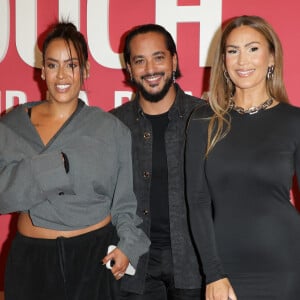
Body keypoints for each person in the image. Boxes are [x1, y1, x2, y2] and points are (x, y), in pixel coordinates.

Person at [0, 21, 150, 300]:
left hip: (92, 260)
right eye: (53, 64)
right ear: (42, 69)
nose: (61, 75)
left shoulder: (111, 129)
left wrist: (128, 246)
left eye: (71, 64)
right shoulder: (11, 125)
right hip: (31, 260)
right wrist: (54, 167)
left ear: (86, 69)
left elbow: (126, 202)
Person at [185, 15, 300, 300]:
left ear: (271, 58)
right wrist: (213, 273)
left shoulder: (294, 121)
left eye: (253, 49)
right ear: (223, 61)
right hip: (224, 267)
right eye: (233, 51)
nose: (242, 60)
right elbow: (197, 201)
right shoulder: (203, 120)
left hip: (285, 262)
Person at [111, 24, 205, 300]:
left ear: (174, 60)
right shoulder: (113, 125)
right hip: (135, 265)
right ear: (129, 68)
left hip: (194, 264)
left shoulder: (205, 117)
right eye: (140, 60)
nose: (150, 68)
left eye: (159, 57)